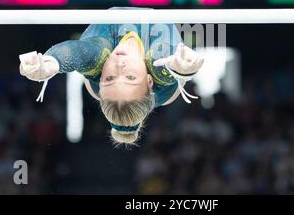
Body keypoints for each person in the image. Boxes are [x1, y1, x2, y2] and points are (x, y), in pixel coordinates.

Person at [19, 8, 204, 145]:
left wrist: (52, 63)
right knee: (160, 62)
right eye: (130, 77)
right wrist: (181, 68)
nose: (119, 67)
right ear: (149, 82)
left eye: (109, 79)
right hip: (163, 77)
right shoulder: (158, 68)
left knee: (96, 54)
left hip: (100, 57)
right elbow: (168, 68)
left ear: (99, 80)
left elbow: (76, 53)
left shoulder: (99, 56)